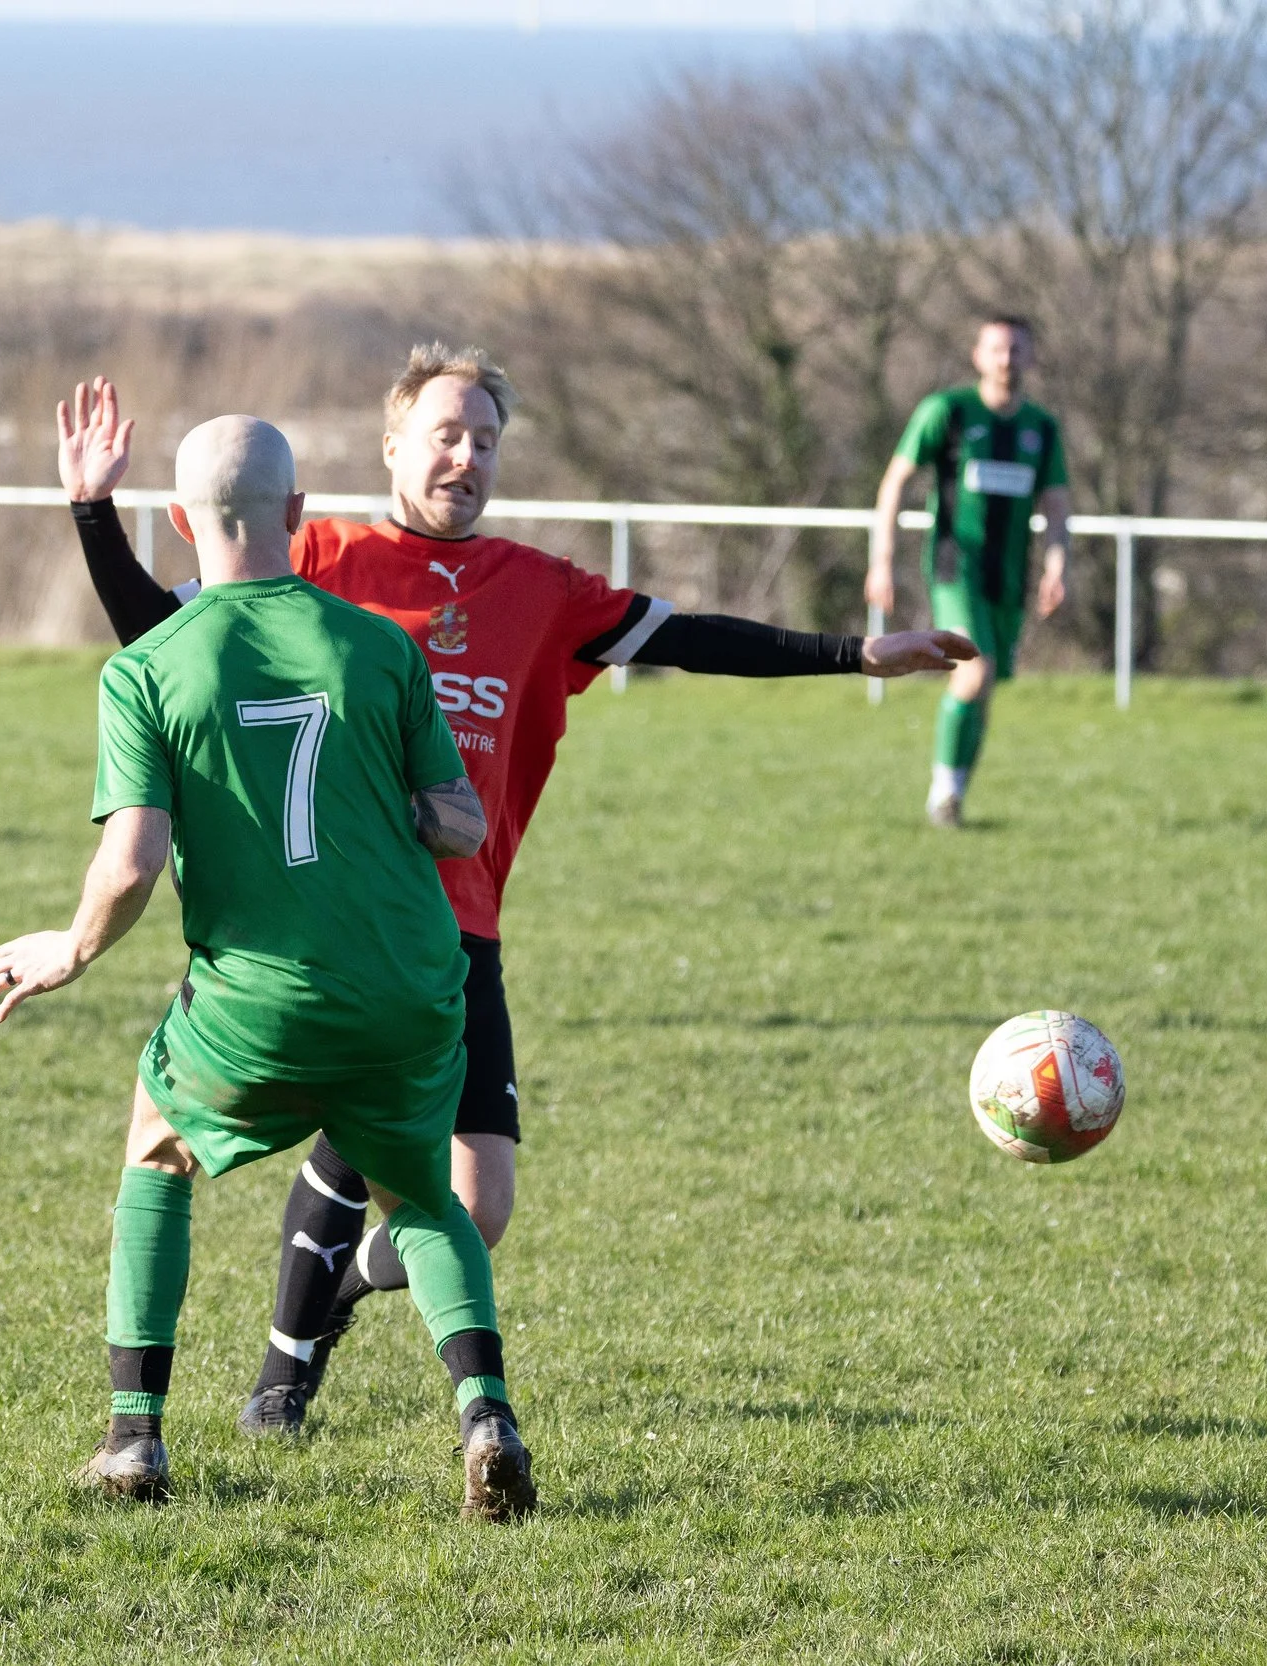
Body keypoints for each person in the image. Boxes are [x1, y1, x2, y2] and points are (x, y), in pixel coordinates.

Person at [56, 352, 974, 1439]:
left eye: (486, 439)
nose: (466, 456)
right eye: (445, 433)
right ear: (391, 445)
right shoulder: (318, 562)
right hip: (323, 919)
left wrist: (858, 652)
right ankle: (283, 1381)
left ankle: (322, 1321)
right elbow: (163, 642)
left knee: (476, 1206)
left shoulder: (538, 590)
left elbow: (690, 638)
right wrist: (94, 515)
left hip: (459, 927)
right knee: (375, 1147)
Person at [0, 415, 536, 1521]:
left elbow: (132, 859)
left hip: (258, 998)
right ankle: (487, 1415)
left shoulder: (145, 667)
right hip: (406, 987)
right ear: (296, 515)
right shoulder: (381, 645)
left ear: (181, 523)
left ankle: (134, 1440)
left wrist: (71, 948)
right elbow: (458, 824)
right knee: (422, 1192)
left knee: (157, 1142)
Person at [867, 315, 1072, 828]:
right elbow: (896, 480)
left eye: (1017, 350)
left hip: (1009, 576)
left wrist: (1056, 565)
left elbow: (1058, 502)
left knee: (987, 687)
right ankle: (942, 795)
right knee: (973, 672)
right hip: (956, 569)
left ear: (1030, 357)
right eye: (998, 349)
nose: (1007, 359)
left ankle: (954, 796)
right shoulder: (948, 412)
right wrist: (882, 559)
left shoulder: (1042, 428)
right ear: (978, 355)